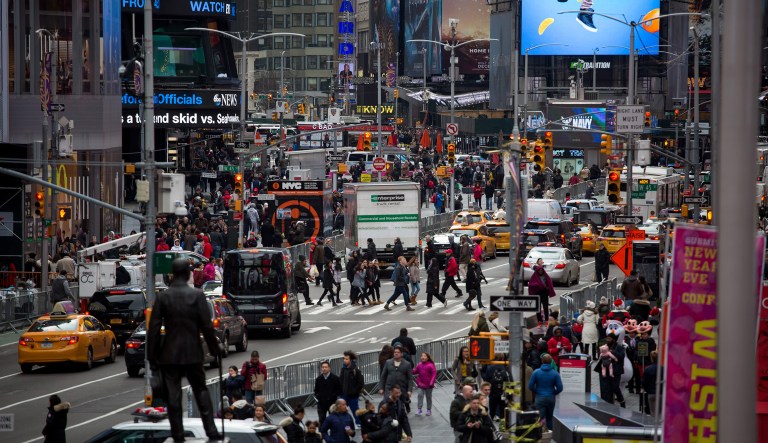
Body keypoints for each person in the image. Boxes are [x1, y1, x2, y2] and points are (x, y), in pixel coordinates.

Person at [146, 258, 223, 442]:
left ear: (173, 274)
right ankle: (211, 430)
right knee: (201, 390)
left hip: (169, 353)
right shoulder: (197, 295)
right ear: (188, 273)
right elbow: (206, 326)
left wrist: (152, 358)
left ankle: (178, 434)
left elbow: (154, 330)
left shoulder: (163, 297)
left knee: (173, 395)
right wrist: (215, 348)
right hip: (193, 351)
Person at [528, 354, 563, 431]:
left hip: (539, 398)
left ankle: (541, 434)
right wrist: (553, 392)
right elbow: (560, 388)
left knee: (540, 418)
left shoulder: (536, 372)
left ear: (542, 361)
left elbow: (530, 386)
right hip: (551, 398)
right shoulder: (555, 373)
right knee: (549, 418)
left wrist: (537, 391)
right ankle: (550, 434)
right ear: (551, 362)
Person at [597, 333, 626, 407]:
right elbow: (600, 354)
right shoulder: (605, 346)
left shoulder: (619, 347)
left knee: (615, 386)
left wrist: (612, 352)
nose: (608, 340)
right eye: (607, 338)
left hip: (616, 370)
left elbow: (621, 356)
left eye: (609, 338)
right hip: (606, 369)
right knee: (607, 388)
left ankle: (621, 400)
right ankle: (608, 402)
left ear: (613, 339)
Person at [339, 351, 365, 426]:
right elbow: (341, 381)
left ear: (350, 360)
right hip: (343, 395)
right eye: (344, 359)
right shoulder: (343, 369)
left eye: (347, 359)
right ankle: (341, 423)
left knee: (355, 410)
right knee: (341, 409)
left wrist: (355, 392)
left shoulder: (355, 370)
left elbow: (360, 383)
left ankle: (358, 423)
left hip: (353, 396)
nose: (345, 360)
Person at [314, 361, 342, 426]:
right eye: (323, 367)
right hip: (322, 404)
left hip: (332, 403)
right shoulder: (319, 379)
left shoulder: (335, 378)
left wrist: (334, 397)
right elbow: (316, 390)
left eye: (326, 367)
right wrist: (319, 397)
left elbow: (339, 390)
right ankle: (322, 434)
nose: (324, 369)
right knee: (321, 420)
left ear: (329, 368)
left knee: (333, 420)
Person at [483, 355, 510, 421]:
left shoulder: (490, 368)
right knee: (503, 412)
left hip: (493, 392)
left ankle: (491, 427)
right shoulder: (506, 368)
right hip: (503, 392)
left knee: (492, 411)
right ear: (503, 358)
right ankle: (502, 428)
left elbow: (486, 379)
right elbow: (508, 380)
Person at [412, 352, 437, 416]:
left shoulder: (431, 365)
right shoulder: (419, 365)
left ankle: (429, 410)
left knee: (428, 397)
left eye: (424, 356)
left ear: (427, 358)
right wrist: (410, 369)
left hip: (429, 385)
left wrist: (431, 382)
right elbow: (415, 371)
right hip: (420, 384)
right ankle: (419, 409)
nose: (422, 357)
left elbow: (434, 374)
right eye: (422, 356)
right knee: (420, 395)